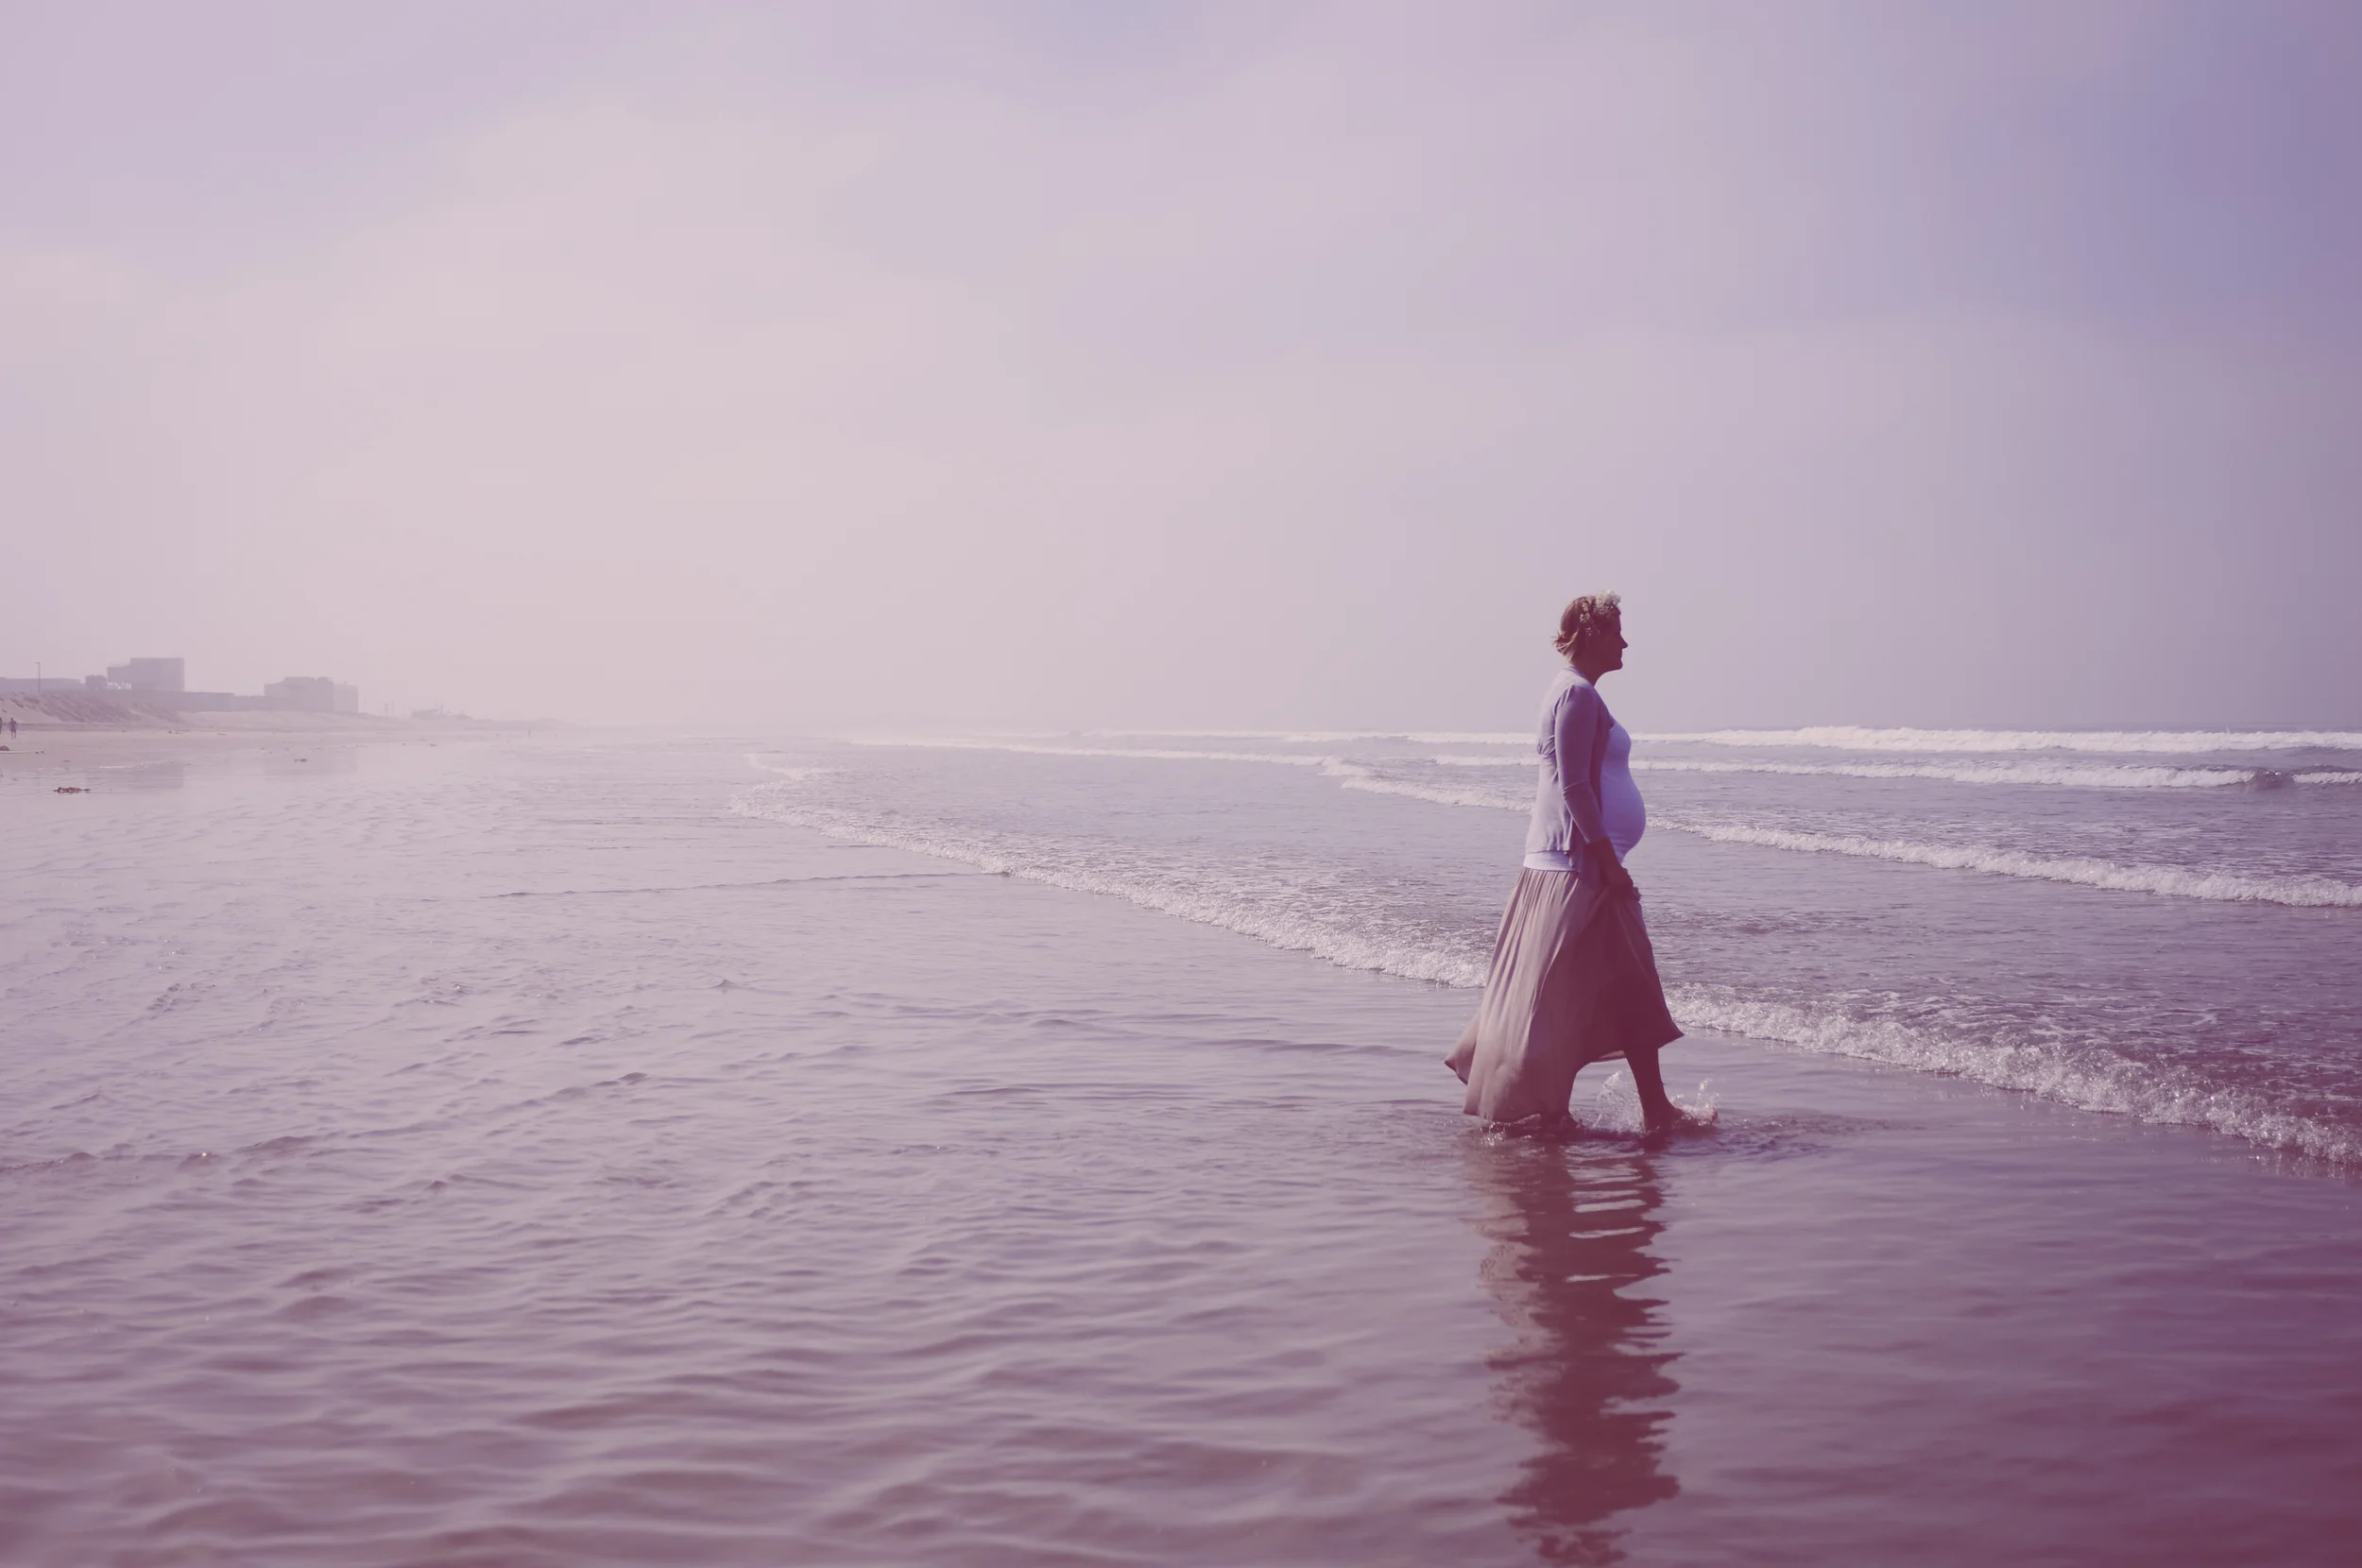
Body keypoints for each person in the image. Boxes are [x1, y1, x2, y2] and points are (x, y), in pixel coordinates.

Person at [1446, 591, 1689, 1132]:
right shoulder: (1576, 696)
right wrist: (1608, 862)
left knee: (1618, 990)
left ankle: (1649, 1110)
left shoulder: (1575, 693)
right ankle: (1551, 1109)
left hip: (1575, 865)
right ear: (1591, 634)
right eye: (1617, 631)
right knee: (1574, 995)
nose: (1625, 641)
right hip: (1578, 868)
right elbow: (1575, 787)